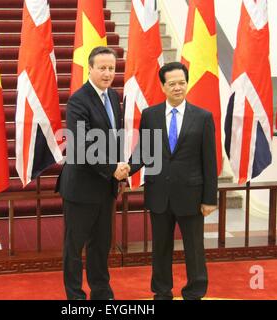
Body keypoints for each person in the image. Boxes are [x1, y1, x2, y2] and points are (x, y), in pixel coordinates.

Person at [129, 62, 218, 300]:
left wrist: (210, 198)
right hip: (159, 194)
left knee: (194, 249)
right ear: (163, 86)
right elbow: (144, 151)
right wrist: (128, 167)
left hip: (192, 195)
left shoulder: (203, 117)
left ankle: (195, 291)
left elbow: (210, 161)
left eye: (182, 83)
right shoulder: (150, 115)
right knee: (161, 248)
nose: (178, 88)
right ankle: (161, 291)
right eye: (172, 84)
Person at [56, 46, 130, 300]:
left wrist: (120, 170)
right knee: (74, 247)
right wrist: (112, 169)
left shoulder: (113, 97)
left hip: (105, 187)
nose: (108, 73)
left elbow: (115, 139)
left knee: (100, 245)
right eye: (102, 68)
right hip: (81, 187)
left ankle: (101, 292)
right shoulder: (78, 100)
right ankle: (75, 297)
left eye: (112, 68)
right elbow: (82, 144)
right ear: (90, 68)